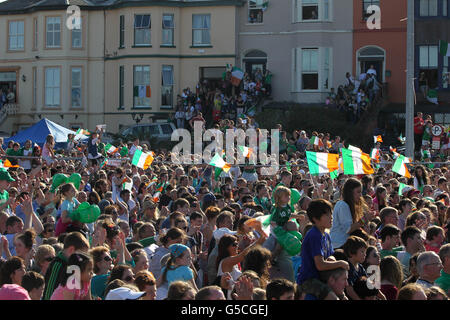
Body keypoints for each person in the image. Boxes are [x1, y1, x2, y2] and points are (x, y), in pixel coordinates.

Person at [297, 199, 349, 300]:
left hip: (322, 277)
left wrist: (333, 259)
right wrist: (340, 263)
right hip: (309, 280)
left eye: (331, 214)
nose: (331, 217)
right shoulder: (314, 235)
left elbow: (330, 257)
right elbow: (320, 265)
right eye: (327, 215)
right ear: (315, 219)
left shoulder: (326, 235)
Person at [43, 231, 90, 300]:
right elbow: (48, 294)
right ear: (71, 250)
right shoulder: (57, 265)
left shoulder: (78, 268)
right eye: (82, 254)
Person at [330, 178, 367, 249]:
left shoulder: (348, 205)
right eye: (358, 192)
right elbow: (348, 229)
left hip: (344, 244)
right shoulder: (343, 205)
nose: (360, 195)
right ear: (350, 192)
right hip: (339, 245)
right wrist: (363, 219)